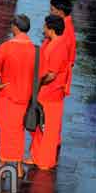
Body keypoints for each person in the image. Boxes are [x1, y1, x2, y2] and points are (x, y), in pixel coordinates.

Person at [0, 14, 36, 177]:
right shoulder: (35, 49)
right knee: (19, 130)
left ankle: (2, 167)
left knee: (6, 129)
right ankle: (18, 166)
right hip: (25, 95)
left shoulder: (7, 47)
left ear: (15, 27)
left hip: (8, 94)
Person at [29, 15, 72, 170]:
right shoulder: (52, 42)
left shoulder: (58, 46)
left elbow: (52, 74)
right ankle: (36, 156)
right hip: (45, 93)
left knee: (48, 128)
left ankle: (46, 161)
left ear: (51, 29)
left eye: (45, 26)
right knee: (40, 126)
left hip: (51, 94)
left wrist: (36, 83)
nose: (43, 29)